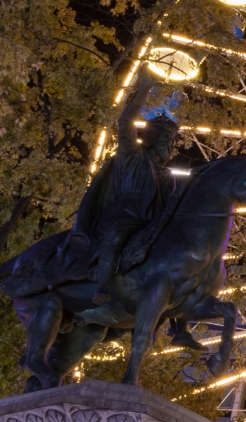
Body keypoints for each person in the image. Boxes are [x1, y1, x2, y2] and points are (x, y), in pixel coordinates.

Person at [68, 68, 180, 315]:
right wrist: (143, 89)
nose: (169, 147)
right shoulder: (132, 155)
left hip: (149, 224)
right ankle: (102, 284)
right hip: (121, 215)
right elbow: (125, 121)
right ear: (152, 138)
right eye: (165, 140)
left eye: (171, 143)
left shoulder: (166, 176)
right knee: (116, 236)